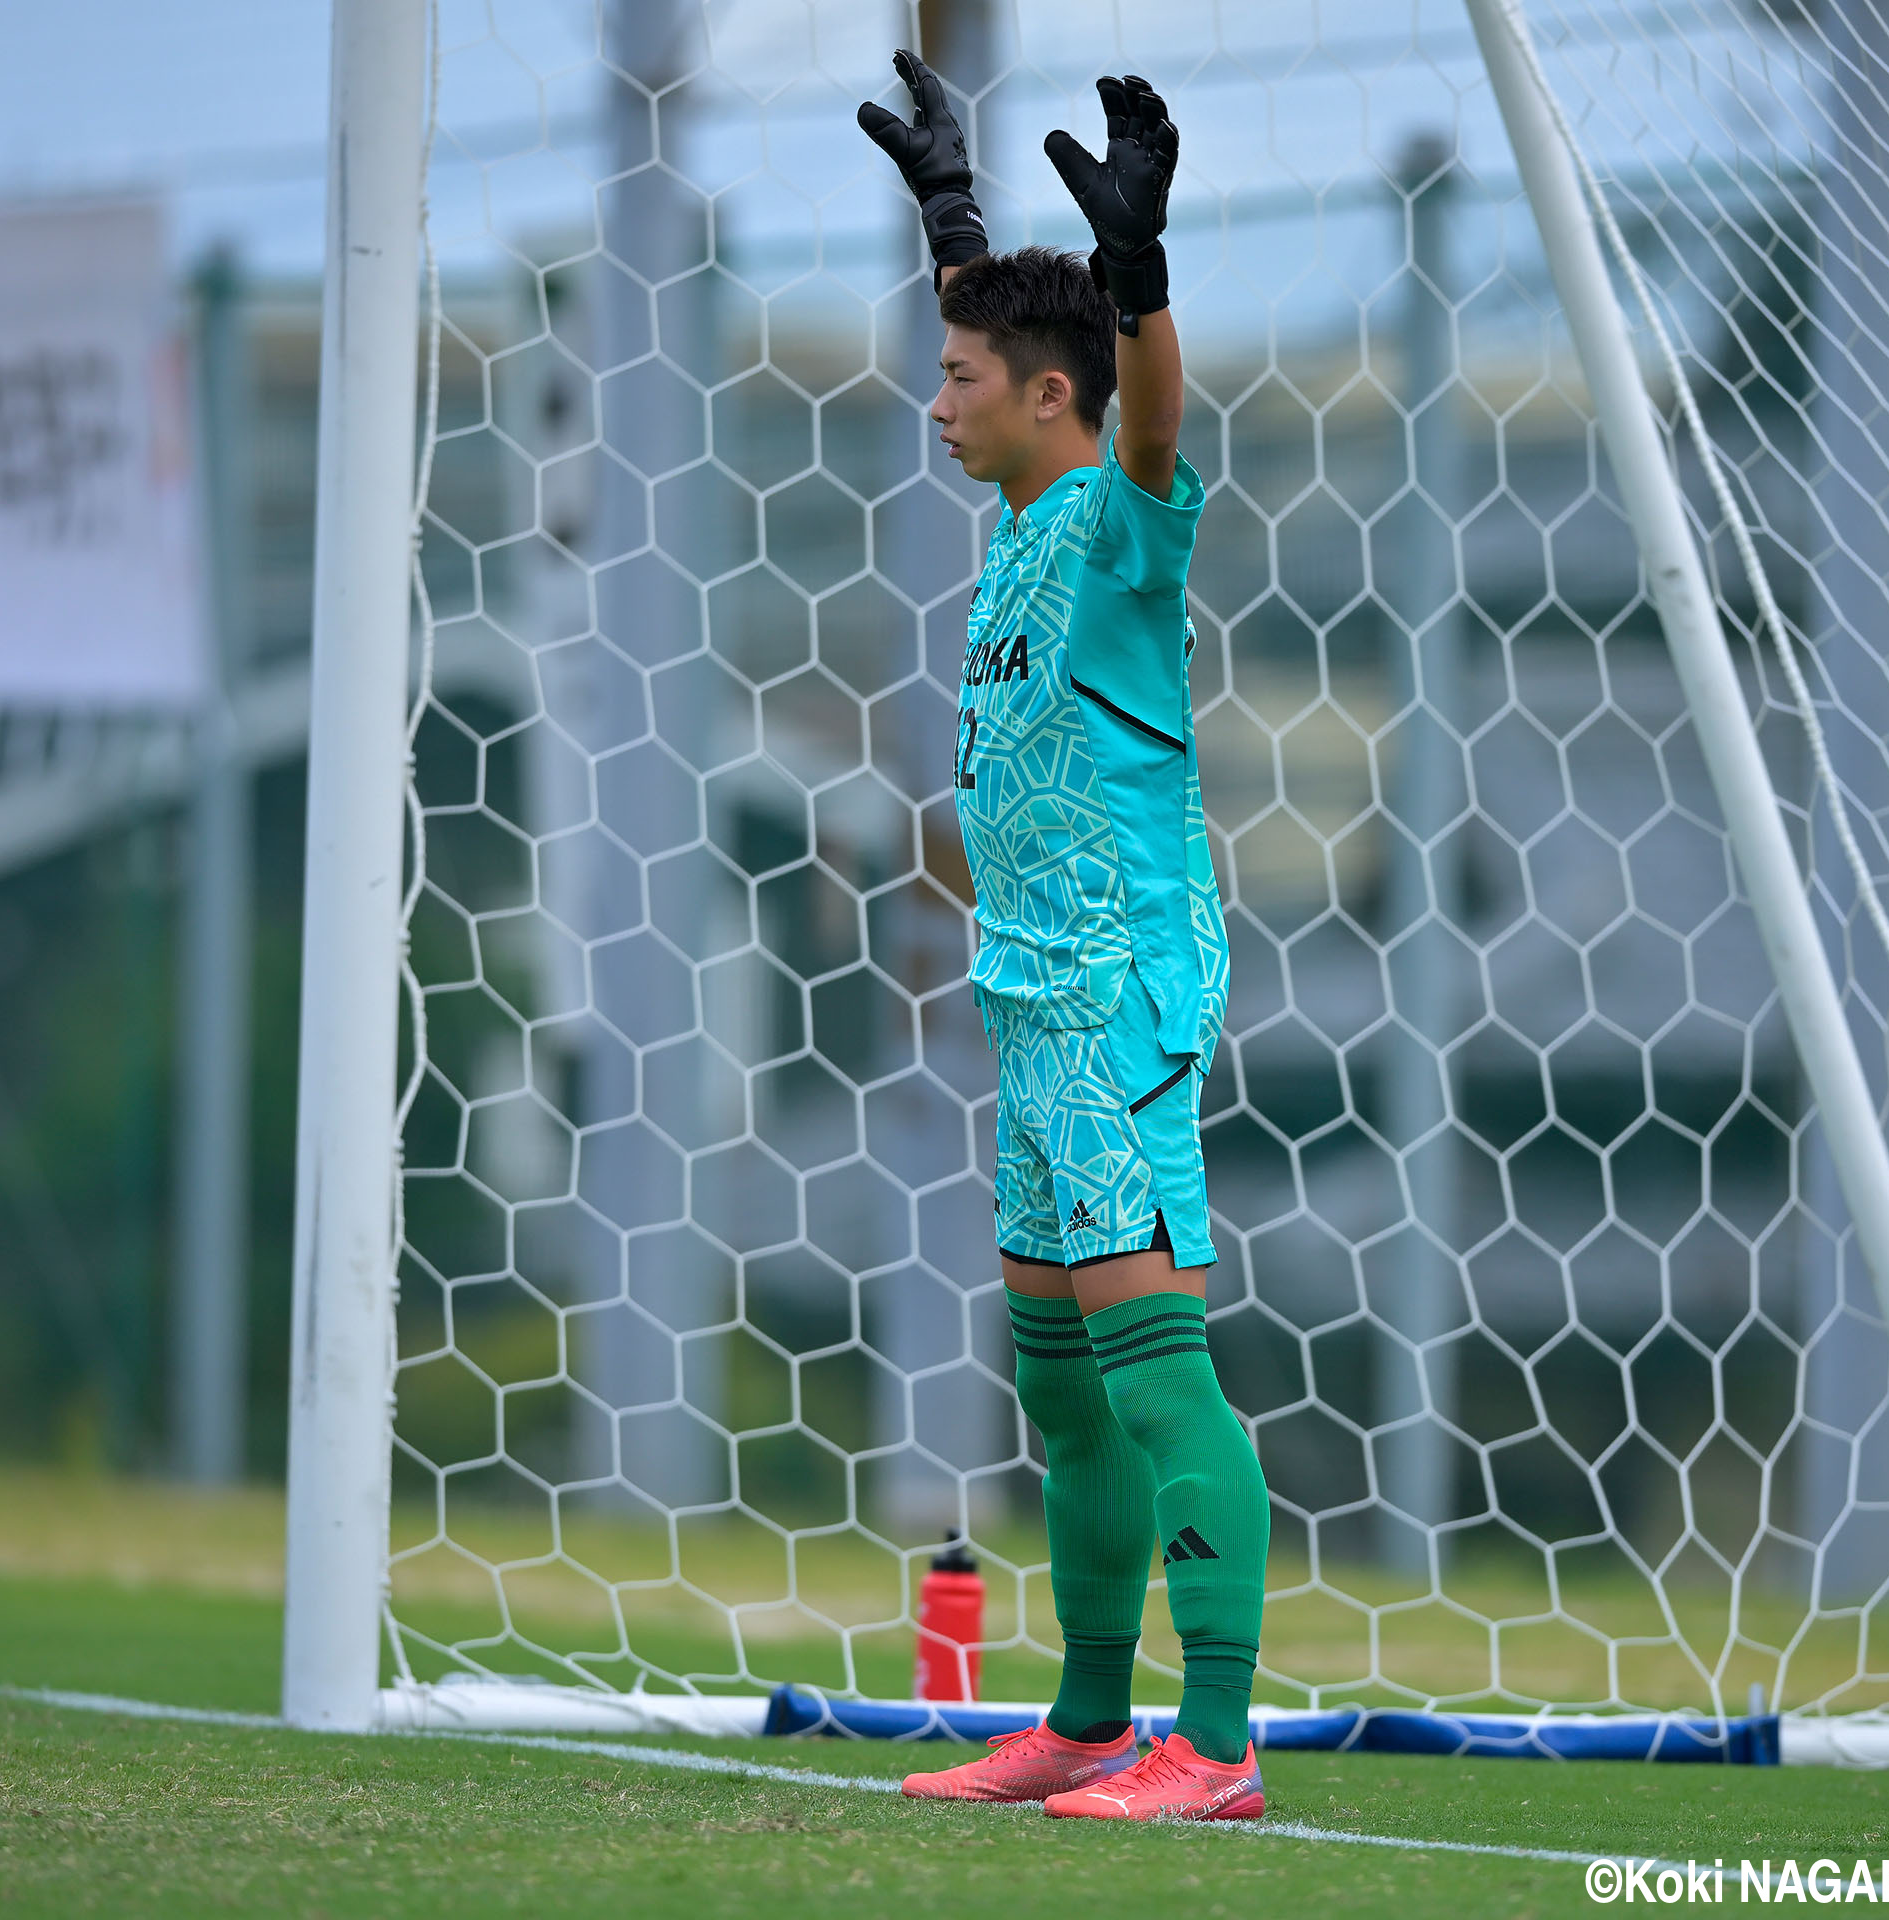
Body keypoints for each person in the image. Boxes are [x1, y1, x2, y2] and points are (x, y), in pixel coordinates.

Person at [857, 51, 1269, 1824]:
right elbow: (1016, 331)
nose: (931, 401)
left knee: (1155, 1365)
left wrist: (1145, 269)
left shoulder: (1109, 525)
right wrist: (951, 213)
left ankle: (1225, 1747)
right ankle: (1092, 1721)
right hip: (1023, 1006)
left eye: (957, 380)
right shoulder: (1021, 520)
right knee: (1061, 1386)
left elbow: (1155, 422)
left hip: (1117, 1002)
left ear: (1045, 398)